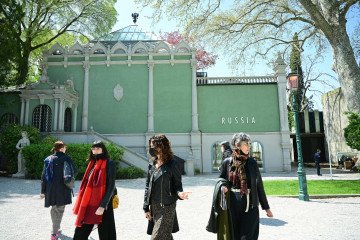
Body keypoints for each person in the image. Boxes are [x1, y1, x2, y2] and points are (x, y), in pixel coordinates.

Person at [208, 132, 273, 240]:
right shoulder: (227, 162)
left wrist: (266, 207)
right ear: (237, 145)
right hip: (232, 204)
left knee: (248, 236)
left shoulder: (252, 162)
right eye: (246, 144)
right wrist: (223, 186)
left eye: (249, 144)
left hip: (250, 204)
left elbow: (259, 185)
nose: (249, 146)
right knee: (234, 235)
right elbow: (221, 179)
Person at [143, 134, 190, 240]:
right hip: (154, 206)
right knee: (165, 236)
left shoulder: (172, 164)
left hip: (167, 206)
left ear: (163, 147)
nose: (152, 149)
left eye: (155, 146)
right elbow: (148, 187)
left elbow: (178, 185)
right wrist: (146, 207)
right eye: (151, 146)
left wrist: (180, 193)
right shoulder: (151, 165)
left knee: (157, 237)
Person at [73, 141, 117, 240]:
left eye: (98, 148)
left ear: (103, 150)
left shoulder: (110, 163)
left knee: (106, 234)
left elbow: (111, 186)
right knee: (80, 233)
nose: (95, 151)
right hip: (89, 204)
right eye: (93, 149)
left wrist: (102, 206)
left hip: (104, 204)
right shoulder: (92, 164)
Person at [40, 141, 76, 240]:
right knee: (60, 209)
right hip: (63, 188)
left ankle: (56, 227)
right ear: (61, 148)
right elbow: (74, 171)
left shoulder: (48, 159)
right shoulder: (67, 158)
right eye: (65, 147)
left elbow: (43, 176)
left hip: (50, 188)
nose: (66, 149)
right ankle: (54, 233)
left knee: (54, 208)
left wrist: (43, 191)